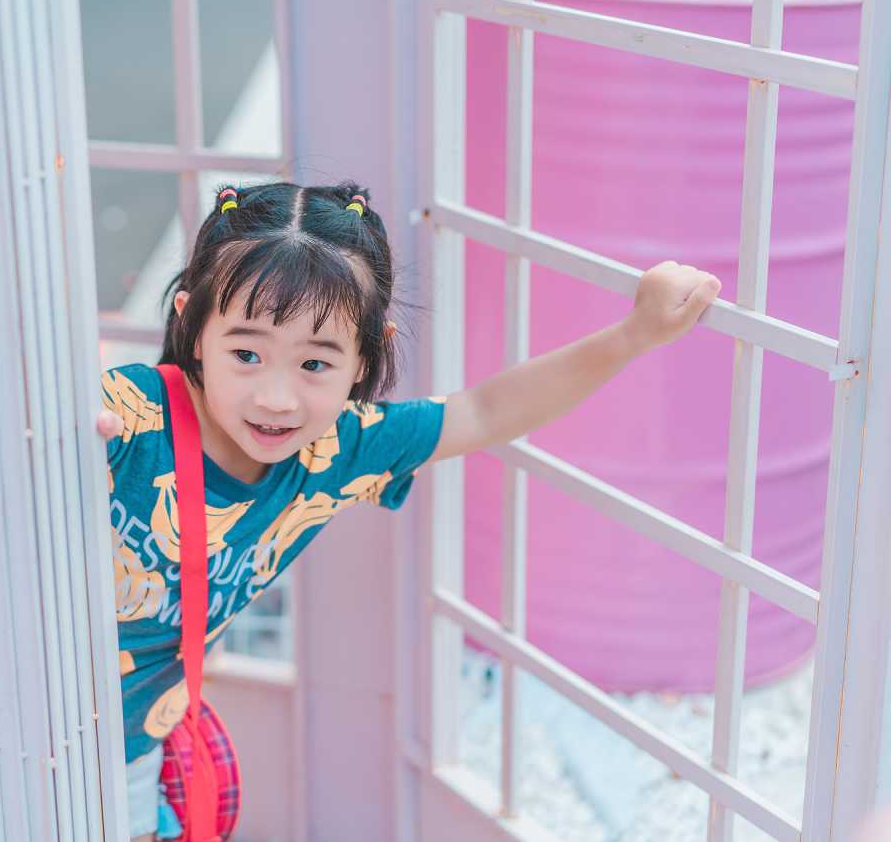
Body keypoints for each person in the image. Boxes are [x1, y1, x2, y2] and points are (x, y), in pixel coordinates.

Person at [95, 181, 721, 841]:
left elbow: (485, 411)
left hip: (133, 744)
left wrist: (634, 335)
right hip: (33, 705)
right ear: (193, 327)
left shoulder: (339, 448)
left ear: (366, 354)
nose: (277, 397)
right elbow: (61, 418)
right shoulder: (134, 417)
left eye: (315, 363)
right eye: (246, 354)